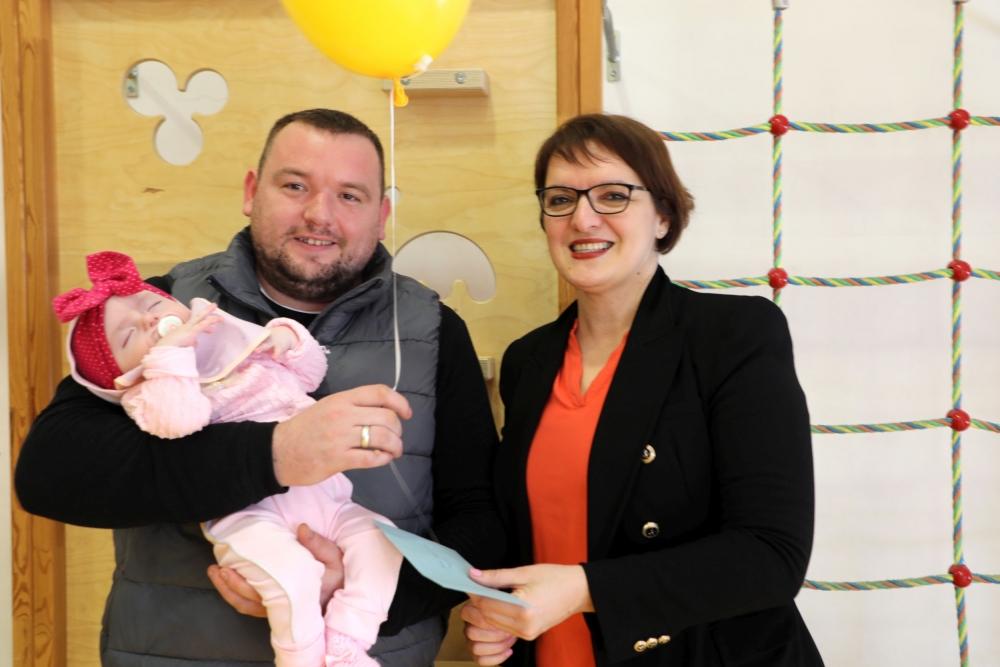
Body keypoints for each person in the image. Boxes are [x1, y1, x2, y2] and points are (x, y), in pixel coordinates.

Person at [15, 109, 504, 667]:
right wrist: (275, 454)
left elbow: (481, 523)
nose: (319, 214)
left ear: (381, 216)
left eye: (350, 196)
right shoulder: (157, 311)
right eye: (295, 186)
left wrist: (361, 600)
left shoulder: (432, 330)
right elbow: (50, 476)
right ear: (251, 192)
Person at [461, 114, 823, 667]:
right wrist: (498, 614)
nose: (582, 218)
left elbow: (772, 557)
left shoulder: (733, 335)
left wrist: (583, 591)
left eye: (613, 196)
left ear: (663, 215)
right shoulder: (528, 361)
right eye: (560, 199)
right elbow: (534, 538)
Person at [51, 250, 403, 667]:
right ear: (120, 378)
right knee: (292, 578)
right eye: (129, 336)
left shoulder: (236, 348)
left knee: (382, 540)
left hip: (328, 501)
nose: (149, 319)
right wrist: (171, 356)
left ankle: (347, 641)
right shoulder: (148, 394)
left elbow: (309, 374)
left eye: (151, 304)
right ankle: (302, 658)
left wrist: (286, 339)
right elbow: (179, 422)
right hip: (251, 517)